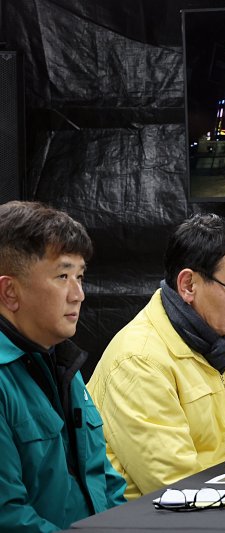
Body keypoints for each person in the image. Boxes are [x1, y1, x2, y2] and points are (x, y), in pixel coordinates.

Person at [87, 214, 225, 499]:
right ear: (188, 285)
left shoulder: (217, 346)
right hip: (154, 515)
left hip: (214, 504)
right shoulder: (139, 361)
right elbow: (177, 487)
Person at [0, 201, 126, 531]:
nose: (78, 294)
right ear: (10, 292)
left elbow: (106, 481)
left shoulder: (62, 363)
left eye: (80, 276)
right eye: (62, 276)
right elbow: (9, 517)